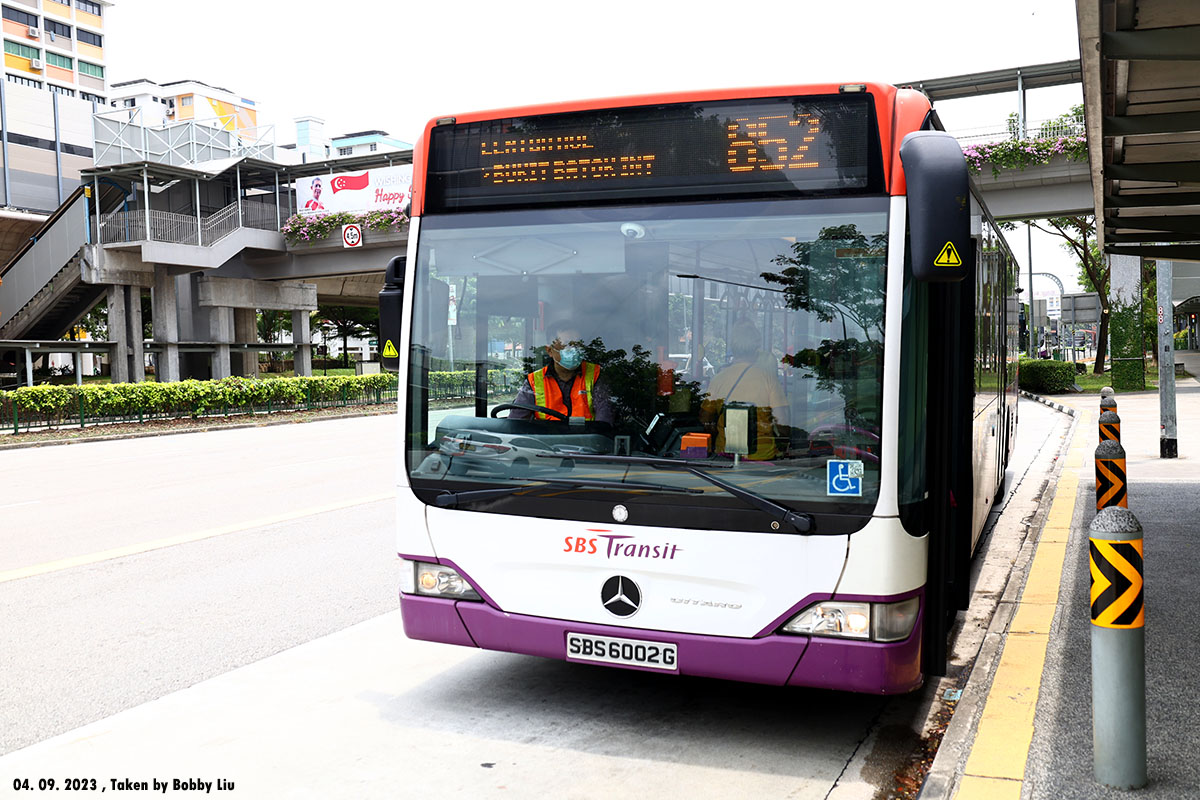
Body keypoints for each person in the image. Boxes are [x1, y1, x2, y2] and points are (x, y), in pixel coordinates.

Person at [700, 321, 789, 459]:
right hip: (762, 458)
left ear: (733, 348)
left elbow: (705, 419)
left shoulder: (718, 379)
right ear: (756, 349)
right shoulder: (768, 379)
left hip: (725, 457)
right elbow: (782, 421)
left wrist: (718, 432)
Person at [509, 324, 613, 423]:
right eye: (566, 345)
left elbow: (604, 421)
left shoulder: (594, 374)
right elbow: (516, 422)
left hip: (587, 439)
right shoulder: (534, 381)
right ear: (550, 350)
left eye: (577, 345)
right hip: (546, 440)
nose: (574, 350)